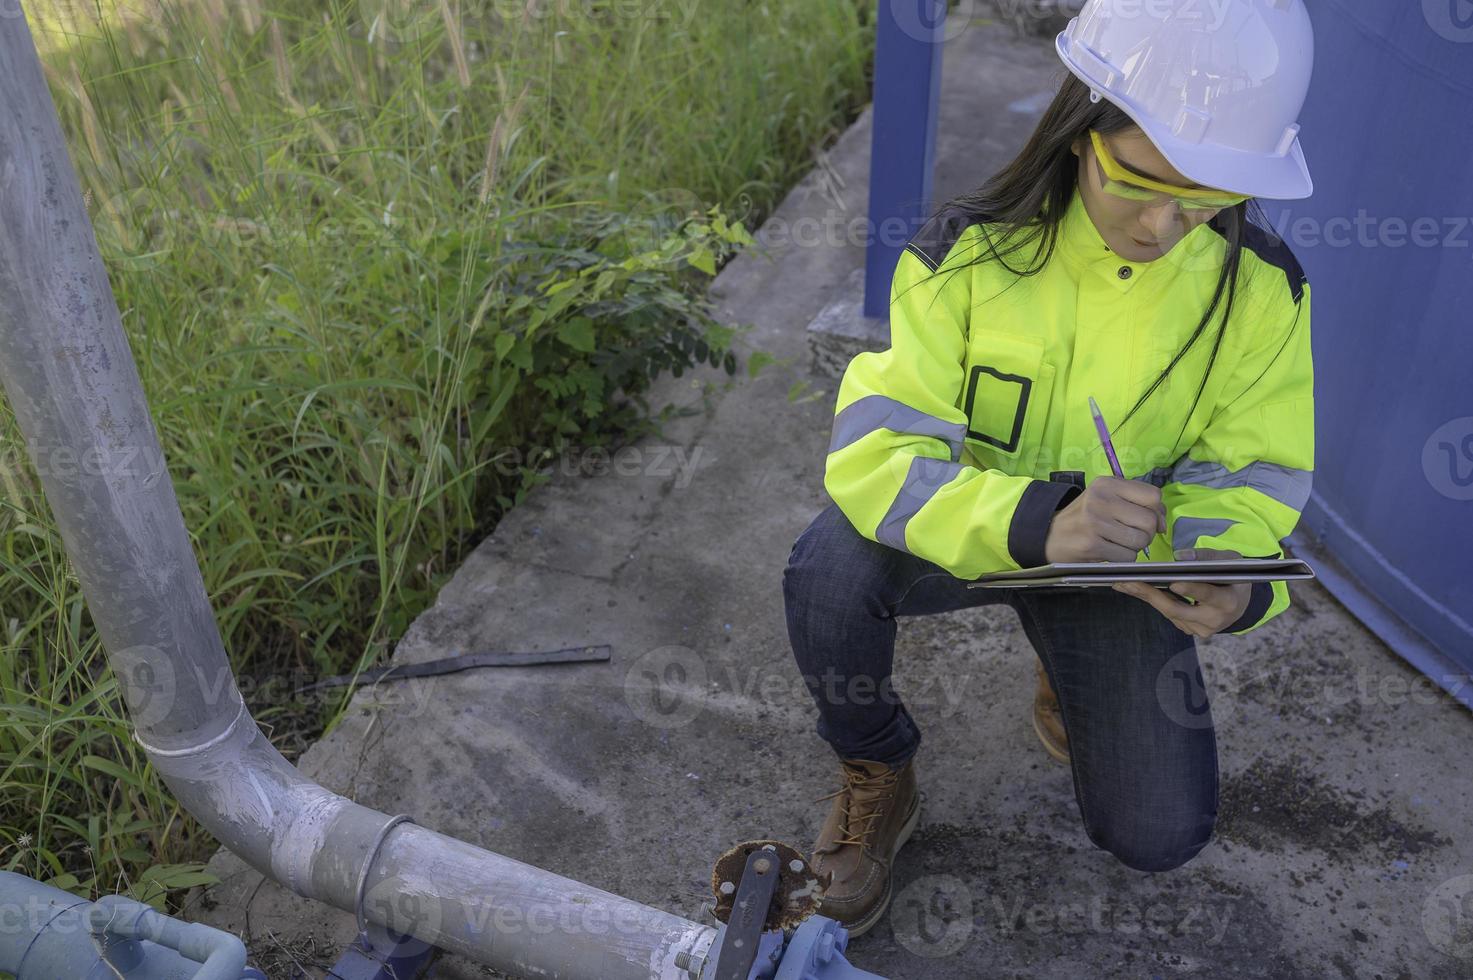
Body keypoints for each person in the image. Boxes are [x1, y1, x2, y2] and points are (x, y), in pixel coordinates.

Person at [783, 0, 1317, 938]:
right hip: (972, 534)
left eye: (1203, 200)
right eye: (1138, 182)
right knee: (826, 570)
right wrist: (1035, 524)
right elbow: (875, 455)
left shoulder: (1262, 293)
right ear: (1079, 131)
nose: (1162, 225)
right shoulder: (964, 255)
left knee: (1161, 833)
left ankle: (1060, 666)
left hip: (1118, 571)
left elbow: (1253, 478)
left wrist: (1227, 574)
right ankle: (876, 765)